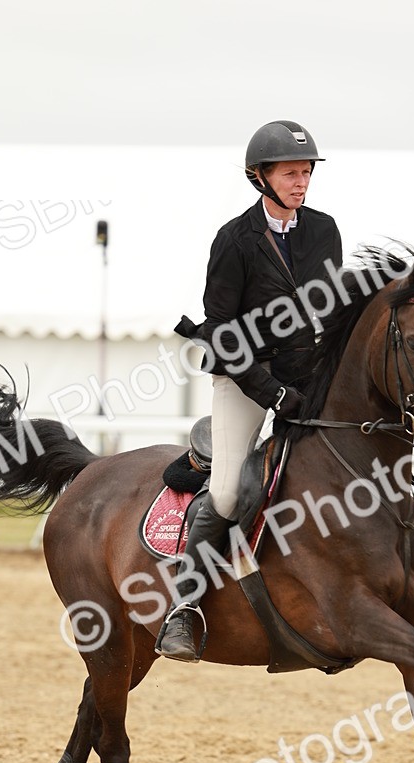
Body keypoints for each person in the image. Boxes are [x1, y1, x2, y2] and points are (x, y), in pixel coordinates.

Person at [155, 119, 343, 662]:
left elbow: (328, 310)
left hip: (306, 375)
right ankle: (184, 609)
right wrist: (270, 392)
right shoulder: (234, 240)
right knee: (229, 493)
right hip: (244, 377)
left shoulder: (324, 231)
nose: (300, 181)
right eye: (290, 172)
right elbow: (222, 330)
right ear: (259, 176)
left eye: (306, 172)